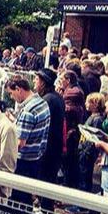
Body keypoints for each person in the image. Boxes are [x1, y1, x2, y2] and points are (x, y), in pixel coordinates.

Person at [5, 75, 50, 207]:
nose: (11, 97)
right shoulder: (42, 102)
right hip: (36, 157)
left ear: (18, 89)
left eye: (11, 93)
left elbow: (20, 143)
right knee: (27, 196)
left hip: (24, 161)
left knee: (19, 200)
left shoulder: (27, 111)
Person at [33, 69, 64, 207]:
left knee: (45, 183)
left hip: (48, 149)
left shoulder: (48, 100)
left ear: (43, 82)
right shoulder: (56, 97)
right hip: (54, 148)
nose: (34, 81)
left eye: (37, 79)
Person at [78, 92, 106, 192]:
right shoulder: (92, 116)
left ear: (95, 104)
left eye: (88, 102)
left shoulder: (97, 119)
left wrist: (86, 152)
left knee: (85, 178)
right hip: (84, 149)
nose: (86, 104)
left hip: (87, 152)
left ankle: (82, 205)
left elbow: (94, 138)